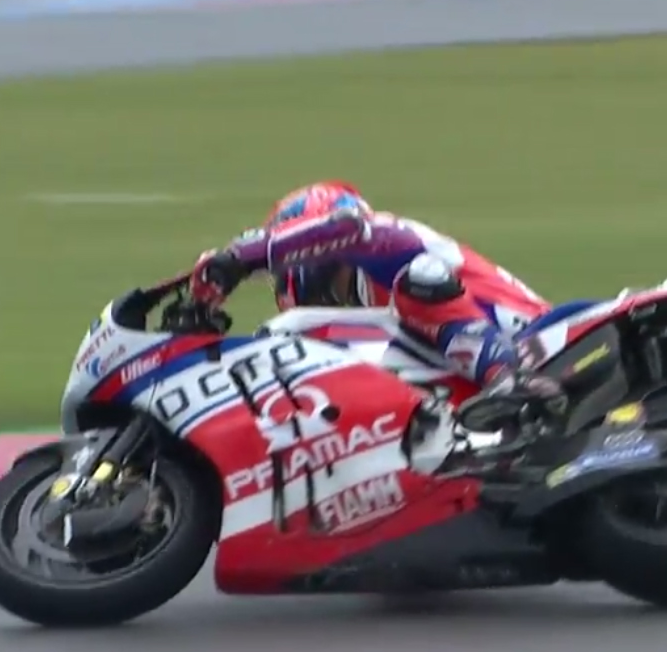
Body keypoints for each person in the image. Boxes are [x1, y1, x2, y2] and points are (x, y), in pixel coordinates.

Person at [187, 180, 569, 470]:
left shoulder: (380, 237)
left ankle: (508, 379)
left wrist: (243, 258)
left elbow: (346, 230)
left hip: (531, 338)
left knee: (419, 282)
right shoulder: (372, 295)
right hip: (479, 363)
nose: (285, 281)